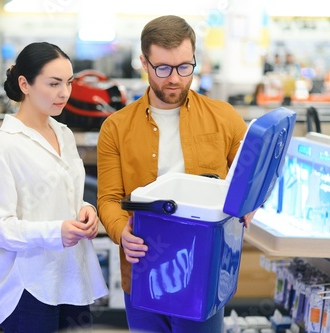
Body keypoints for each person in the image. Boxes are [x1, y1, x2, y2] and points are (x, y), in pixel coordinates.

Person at [97, 15, 256, 333]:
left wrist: (249, 203)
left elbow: (251, 176)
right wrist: (120, 233)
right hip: (143, 270)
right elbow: (110, 199)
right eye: (164, 68)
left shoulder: (223, 118)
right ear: (144, 62)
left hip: (205, 269)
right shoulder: (116, 128)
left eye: (185, 67)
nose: (176, 79)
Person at [0, 42, 108, 333]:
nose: (65, 93)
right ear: (25, 84)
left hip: (70, 278)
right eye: (54, 83)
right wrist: (54, 232)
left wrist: (86, 211)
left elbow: (69, 195)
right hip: (29, 287)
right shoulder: (3, 149)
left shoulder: (64, 134)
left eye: (68, 83)